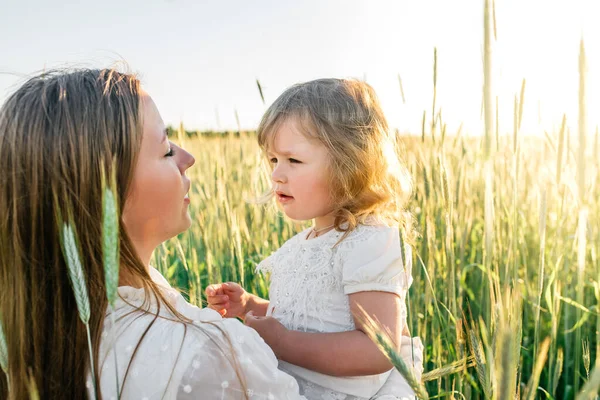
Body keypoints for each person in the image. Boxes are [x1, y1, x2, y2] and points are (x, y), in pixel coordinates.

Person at [0, 68, 306, 399]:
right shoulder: (209, 357)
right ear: (106, 193)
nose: (189, 158)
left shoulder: (28, 329)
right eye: (165, 150)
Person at [206, 78, 424, 399]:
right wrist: (250, 305)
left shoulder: (370, 242)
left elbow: (378, 349)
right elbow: (308, 320)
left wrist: (282, 342)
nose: (277, 174)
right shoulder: (303, 244)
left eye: (293, 160)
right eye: (273, 160)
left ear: (349, 166)